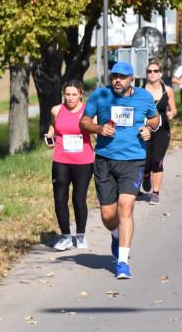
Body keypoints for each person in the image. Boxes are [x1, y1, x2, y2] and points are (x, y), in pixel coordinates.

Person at [79, 61, 160, 279]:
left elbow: (154, 118)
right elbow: (83, 121)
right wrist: (98, 128)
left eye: (122, 77)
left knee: (126, 206)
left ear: (131, 79)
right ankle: (115, 234)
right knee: (108, 215)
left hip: (133, 160)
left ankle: (122, 262)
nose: (117, 80)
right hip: (105, 160)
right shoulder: (100, 95)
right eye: (114, 76)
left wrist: (149, 128)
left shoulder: (144, 97)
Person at [43, 80, 92, 251]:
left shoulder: (88, 111)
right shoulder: (56, 110)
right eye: (67, 94)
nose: (70, 98)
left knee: (78, 198)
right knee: (59, 198)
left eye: (74, 94)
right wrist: (49, 136)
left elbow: (97, 129)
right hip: (61, 159)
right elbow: (52, 127)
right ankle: (65, 236)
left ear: (80, 94)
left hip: (83, 161)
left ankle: (80, 235)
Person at [141, 61, 177, 205]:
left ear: (160, 73)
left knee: (157, 159)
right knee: (145, 161)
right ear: (146, 74)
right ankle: (145, 175)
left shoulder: (167, 90)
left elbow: (174, 109)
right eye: (149, 71)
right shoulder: (141, 91)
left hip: (162, 130)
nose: (152, 73)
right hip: (145, 128)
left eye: (155, 71)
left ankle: (155, 193)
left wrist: (171, 113)